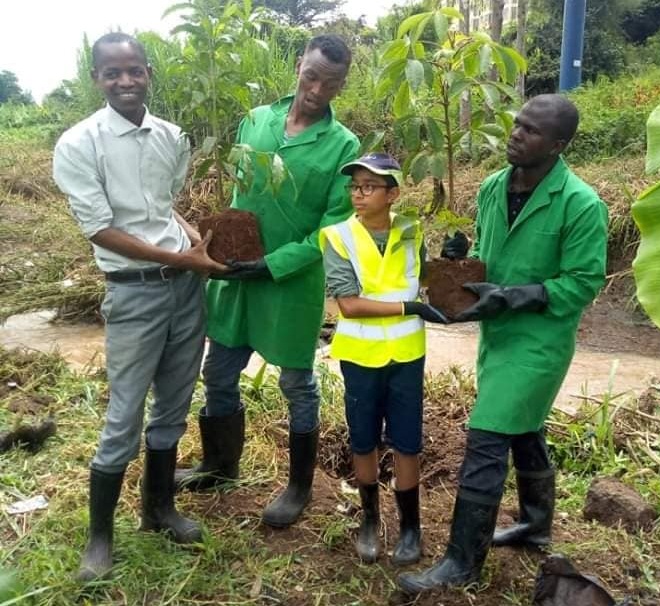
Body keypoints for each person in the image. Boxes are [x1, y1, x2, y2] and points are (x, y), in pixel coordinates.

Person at [397, 94, 608, 593]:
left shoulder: (580, 203)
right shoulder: (494, 187)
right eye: (517, 124)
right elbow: (491, 251)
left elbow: (583, 282)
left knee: (488, 436)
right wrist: (460, 256)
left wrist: (514, 297)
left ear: (558, 145)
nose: (516, 133)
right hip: (498, 334)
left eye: (531, 130)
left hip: (539, 340)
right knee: (523, 427)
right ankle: (536, 525)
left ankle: (460, 563)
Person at [53, 32, 228, 582]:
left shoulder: (172, 136)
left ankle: (159, 510)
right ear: (97, 79)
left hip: (184, 290)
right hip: (133, 293)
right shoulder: (78, 144)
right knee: (123, 414)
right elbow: (101, 229)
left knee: (173, 403)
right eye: (113, 73)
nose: (125, 81)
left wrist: (193, 237)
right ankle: (99, 537)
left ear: (148, 72)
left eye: (134, 71)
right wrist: (181, 261)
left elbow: (162, 205)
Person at [174, 35, 360, 529]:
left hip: (290, 282)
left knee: (297, 384)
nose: (318, 89)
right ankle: (219, 463)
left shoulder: (343, 146)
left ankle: (298, 485)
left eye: (332, 83)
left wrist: (273, 263)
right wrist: (221, 244)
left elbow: (333, 226)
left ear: (343, 84)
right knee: (218, 371)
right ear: (299, 65)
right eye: (312, 75)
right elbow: (237, 190)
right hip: (234, 276)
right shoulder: (254, 120)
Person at [319, 153, 448, 565]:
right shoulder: (337, 236)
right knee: (363, 440)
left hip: (407, 355)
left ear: (392, 194)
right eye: (354, 186)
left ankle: (411, 527)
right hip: (360, 356)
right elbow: (349, 306)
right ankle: (370, 520)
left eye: (368, 187)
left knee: (408, 441)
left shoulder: (412, 230)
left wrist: (450, 262)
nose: (358, 194)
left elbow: (422, 278)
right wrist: (409, 310)